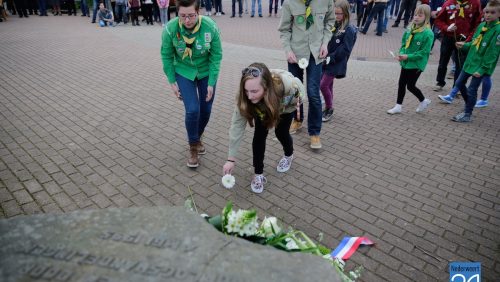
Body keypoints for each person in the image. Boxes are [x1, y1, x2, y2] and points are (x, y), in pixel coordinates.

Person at [222, 63, 305, 193]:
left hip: (284, 105)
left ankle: (289, 155)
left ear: (266, 88)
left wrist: (283, 110)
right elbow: (236, 126)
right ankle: (258, 174)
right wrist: (230, 159)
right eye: (246, 91)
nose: (249, 96)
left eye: (254, 91)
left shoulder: (287, 86)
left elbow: (300, 92)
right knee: (259, 136)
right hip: (261, 107)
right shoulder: (245, 97)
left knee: (281, 133)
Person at [161, 0, 222, 168]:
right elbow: (166, 56)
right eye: (182, 16)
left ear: (198, 12)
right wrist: (172, 81)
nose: (187, 21)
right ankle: (193, 147)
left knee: (206, 110)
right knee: (193, 110)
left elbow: (216, 55)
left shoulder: (210, 27)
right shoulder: (170, 29)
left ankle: (197, 135)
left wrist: (211, 82)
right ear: (176, 14)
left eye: (191, 16)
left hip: (205, 71)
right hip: (183, 71)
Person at [278, 0, 335, 149]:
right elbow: (284, 29)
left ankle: (315, 132)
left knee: (313, 93)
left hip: (316, 53)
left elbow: (330, 22)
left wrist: (325, 43)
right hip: (295, 53)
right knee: (295, 91)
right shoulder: (289, 2)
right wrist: (288, 50)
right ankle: (297, 119)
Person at [450, 0, 500, 122]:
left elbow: (492, 53)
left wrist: (482, 69)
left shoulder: (497, 30)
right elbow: (474, 42)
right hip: (470, 62)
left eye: (492, 12)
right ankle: (469, 105)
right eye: (486, 12)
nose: (488, 15)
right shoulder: (481, 26)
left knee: (472, 89)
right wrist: (464, 45)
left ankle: (467, 114)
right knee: (459, 83)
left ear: (499, 14)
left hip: (480, 66)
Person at [387, 4, 434, 114]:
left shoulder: (428, 33)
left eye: (420, 15)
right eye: (415, 14)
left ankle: (423, 100)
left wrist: (408, 56)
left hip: (416, 63)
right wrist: (401, 54)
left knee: (411, 86)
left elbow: (424, 52)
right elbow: (404, 44)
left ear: (426, 17)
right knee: (401, 83)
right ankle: (398, 106)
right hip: (406, 62)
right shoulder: (409, 29)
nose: (416, 17)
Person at [432, 0, 482, 91]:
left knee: (460, 64)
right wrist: (446, 28)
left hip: (464, 39)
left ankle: (457, 86)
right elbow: (438, 20)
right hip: (448, 37)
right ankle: (440, 82)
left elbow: (477, 23)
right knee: (443, 60)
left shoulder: (475, 3)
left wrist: (469, 39)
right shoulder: (449, 3)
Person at [320, 0, 357, 121]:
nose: (336, 16)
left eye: (339, 13)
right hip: (327, 60)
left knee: (323, 85)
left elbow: (346, 49)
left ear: (346, 13)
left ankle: (329, 108)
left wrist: (332, 57)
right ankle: (327, 106)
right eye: (334, 13)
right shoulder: (335, 24)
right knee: (328, 85)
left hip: (336, 63)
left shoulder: (349, 29)